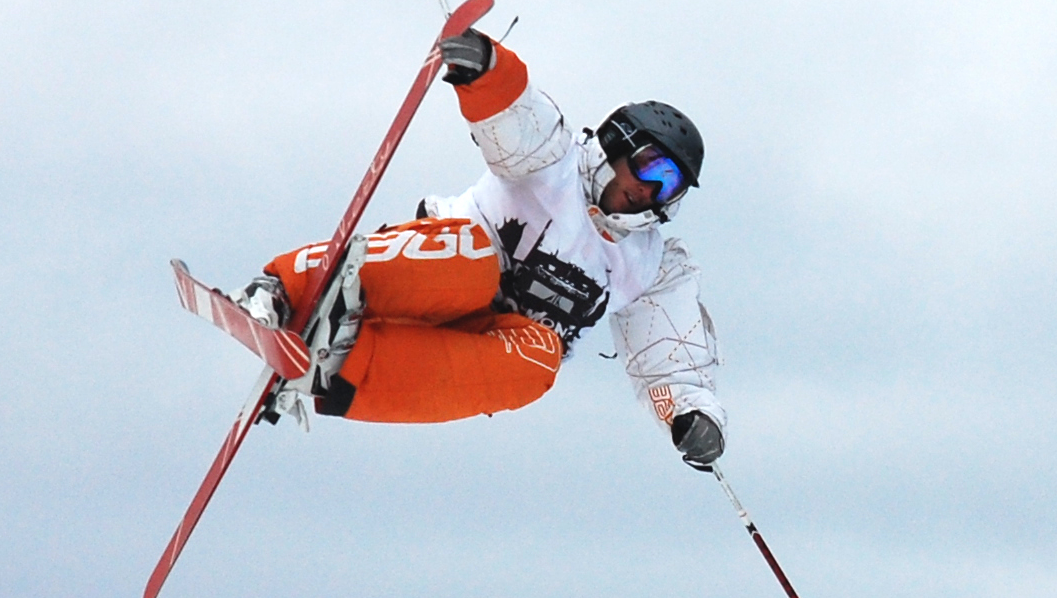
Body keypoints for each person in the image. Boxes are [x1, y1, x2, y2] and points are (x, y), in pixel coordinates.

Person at [237, 27, 726, 471]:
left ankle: (335, 368)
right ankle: (283, 289)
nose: (651, 190)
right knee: (476, 265)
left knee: (540, 361)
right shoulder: (555, 162)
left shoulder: (651, 263)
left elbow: (671, 353)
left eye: (670, 186)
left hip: (480, 339)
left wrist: (693, 417)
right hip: (434, 273)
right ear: (617, 146)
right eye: (650, 168)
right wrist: (487, 69)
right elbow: (515, 118)